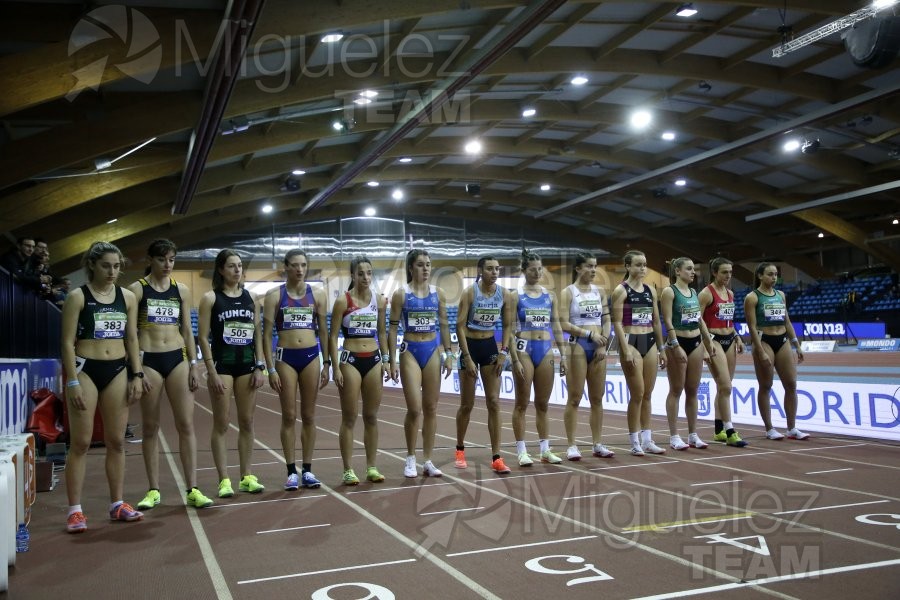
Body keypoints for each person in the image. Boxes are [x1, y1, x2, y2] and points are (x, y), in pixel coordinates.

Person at [60, 241, 145, 533]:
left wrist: (138, 374)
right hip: (85, 370)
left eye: (117, 266)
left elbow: (132, 338)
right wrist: (71, 381)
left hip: (118, 369)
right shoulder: (77, 297)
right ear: (93, 265)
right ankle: (75, 510)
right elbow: (67, 343)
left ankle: (117, 504)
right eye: (106, 265)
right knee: (81, 442)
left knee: (117, 441)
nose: (112, 271)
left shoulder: (128, 297)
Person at [130, 239, 213, 511]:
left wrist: (193, 364)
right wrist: (136, 371)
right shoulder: (137, 290)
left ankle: (193, 488)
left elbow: (188, 330)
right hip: (149, 359)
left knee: (186, 425)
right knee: (151, 427)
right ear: (150, 260)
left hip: (177, 357)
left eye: (172, 260)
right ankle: (153, 490)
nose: (167, 265)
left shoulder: (182, 290)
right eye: (162, 259)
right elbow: (130, 334)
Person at [197, 249, 268, 498]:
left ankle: (247, 476)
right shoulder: (210, 299)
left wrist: (260, 366)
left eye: (239, 266)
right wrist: (210, 370)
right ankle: (224, 479)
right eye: (231, 266)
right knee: (222, 423)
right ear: (220, 270)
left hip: (247, 365)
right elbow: (202, 337)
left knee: (247, 422)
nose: (237, 270)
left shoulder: (251, 298)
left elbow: (257, 334)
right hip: (223, 366)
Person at [262, 249, 330, 491]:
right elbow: (266, 334)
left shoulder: (318, 295)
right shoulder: (273, 296)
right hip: (285, 358)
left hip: (311, 356)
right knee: (289, 416)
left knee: (310, 416)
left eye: (303, 265)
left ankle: (308, 470)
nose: (300, 269)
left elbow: (324, 331)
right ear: (286, 267)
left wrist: (327, 363)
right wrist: (270, 368)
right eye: (295, 265)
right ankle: (291, 471)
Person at [388, 250, 453, 478]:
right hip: (410, 352)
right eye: (420, 265)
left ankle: (427, 460)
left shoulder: (438, 294)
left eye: (428, 265)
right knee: (415, 409)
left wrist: (449, 354)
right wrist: (391, 359)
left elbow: (444, 327)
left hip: (432, 351)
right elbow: (393, 328)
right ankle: (410, 458)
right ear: (410, 268)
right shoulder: (401, 294)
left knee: (431, 408)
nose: (425, 269)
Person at [329, 255, 390, 485]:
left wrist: (386, 359)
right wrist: (335, 367)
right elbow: (332, 335)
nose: (366, 277)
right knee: (350, 417)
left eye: (369, 273)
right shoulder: (343, 302)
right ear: (353, 275)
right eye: (361, 273)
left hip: (373, 358)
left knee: (372, 416)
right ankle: (347, 469)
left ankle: (372, 467)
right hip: (350, 359)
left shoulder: (380, 301)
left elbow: (382, 333)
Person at [455, 256, 514, 474]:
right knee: (467, 404)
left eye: (497, 269)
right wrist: (467, 356)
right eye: (490, 269)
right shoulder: (470, 292)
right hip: (470, 345)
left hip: (490, 346)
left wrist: (504, 351)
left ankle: (497, 457)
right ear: (480, 271)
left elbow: (508, 325)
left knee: (494, 402)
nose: (495, 272)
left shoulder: (505, 294)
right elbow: (459, 326)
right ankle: (460, 449)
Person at [510, 249, 568, 466]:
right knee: (522, 403)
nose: (537, 272)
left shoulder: (549, 295)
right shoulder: (515, 296)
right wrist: (514, 359)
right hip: (524, 349)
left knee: (543, 403)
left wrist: (564, 355)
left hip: (545, 349)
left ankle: (545, 450)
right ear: (524, 271)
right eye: (532, 269)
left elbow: (557, 327)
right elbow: (508, 329)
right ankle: (522, 451)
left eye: (539, 269)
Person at [610, 249, 667, 456]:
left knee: (648, 394)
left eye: (644, 264)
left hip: (650, 340)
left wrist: (662, 348)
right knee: (638, 394)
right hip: (631, 341)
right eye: (638, 265)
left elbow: (656, 321)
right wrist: (624, 350)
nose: (642, 268)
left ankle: (647, 439)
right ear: (628, 267)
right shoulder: (620, 291)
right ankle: (634, 440)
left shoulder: (650, 290)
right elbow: (616, 322)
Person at [744, 262, 809, 441]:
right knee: (766, 386)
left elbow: (787, 321)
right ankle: (770, 428)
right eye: (770, 274)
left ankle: (792, 428)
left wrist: (797, 344)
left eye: (775, 274)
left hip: (782, 340)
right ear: (760, 276)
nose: (774, 278)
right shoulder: (752, 297)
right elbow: (752, 326)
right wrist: (759, 349)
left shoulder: (781, 295)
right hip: (764, 340)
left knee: (791, 384)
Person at [559, 251, 614, 460]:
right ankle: (572, 445)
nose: (593, 270)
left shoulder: (599, 292)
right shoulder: (568, 292)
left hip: (598, 346)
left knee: (597, 399)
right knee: (574, 397)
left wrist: (603, 342)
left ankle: (597, 443)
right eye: (589, 266)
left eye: (595, 266)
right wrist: (589, 334)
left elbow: (607, 319)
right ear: (578, 268)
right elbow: (563, 323)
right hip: (578, 346)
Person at [660, 257, 715, 450]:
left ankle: (693, 434)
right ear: (677, 271)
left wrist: (708, 342)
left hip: (696, 342)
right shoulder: (669, 292)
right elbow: (667, 321)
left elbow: (699, 320)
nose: (693, 272)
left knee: (693, 390)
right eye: (689, 269)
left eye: (694, 269)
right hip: (678, 342)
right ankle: (674, 436)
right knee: (676, 390)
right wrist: (675, 345)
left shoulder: (693, 292)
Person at [698, 257, 748, 447]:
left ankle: (718, 430)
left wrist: (737, 336)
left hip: (729, 340)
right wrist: (705, 344)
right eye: (724, 272)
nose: (728, 275)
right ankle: (730, 430)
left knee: (723, 387)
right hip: (714, 341)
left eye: (730, 272)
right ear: (715, 273)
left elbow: (728, 319)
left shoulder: (730, 294)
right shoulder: (705, 294)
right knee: (726, 386)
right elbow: (697, 319)